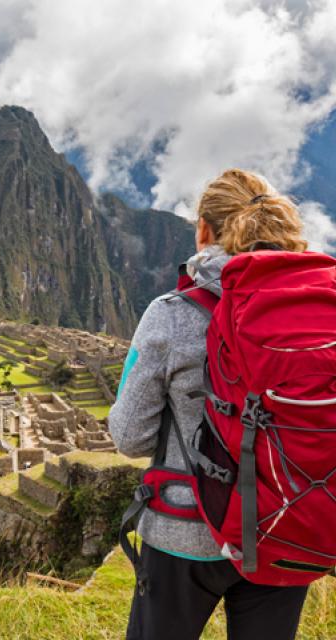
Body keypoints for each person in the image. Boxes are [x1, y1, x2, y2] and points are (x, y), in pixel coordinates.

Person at [108, 168, 310, 640]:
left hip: (187, 527)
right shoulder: (320, 312)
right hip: (288, 526)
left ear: (204, 230)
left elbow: (130, 435)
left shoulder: (172, 314)